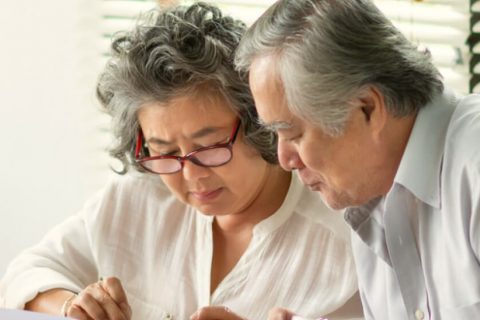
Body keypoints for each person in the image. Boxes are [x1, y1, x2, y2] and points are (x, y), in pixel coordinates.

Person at [0, 3, 363, 320]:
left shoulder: (346, 241)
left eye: (207, 146)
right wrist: (73, 307)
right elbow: (26, 272)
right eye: (164, 151)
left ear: (259, 122)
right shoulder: (134, 201)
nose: (190, 174)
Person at [234, 0, 480, 319]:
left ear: (367, 108)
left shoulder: (473, 167)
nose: (284, 159)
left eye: (293, 133)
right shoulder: (368, 194)